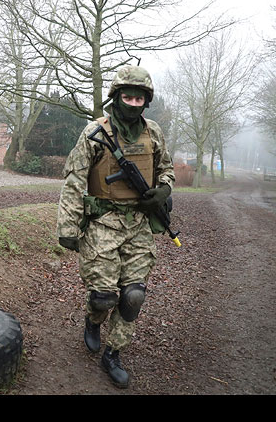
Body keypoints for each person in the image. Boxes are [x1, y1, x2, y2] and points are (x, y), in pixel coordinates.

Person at [56, 65, 175, 388]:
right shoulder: (95, 133)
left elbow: (166, 170)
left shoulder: (154, 132)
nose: (134, 103)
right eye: (128, 97)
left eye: (140, 98)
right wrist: (67, 226)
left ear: (146, 100)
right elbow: (74, 180)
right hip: (103, 223)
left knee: (133, 295)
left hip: (138, 223)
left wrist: (163, 190)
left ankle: (113, 353)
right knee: (103, 297)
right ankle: (93, 320)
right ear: (116, 97)